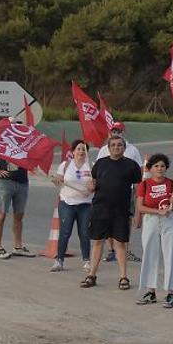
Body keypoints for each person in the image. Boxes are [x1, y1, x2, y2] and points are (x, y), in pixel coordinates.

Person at [81, 136, 142, 290]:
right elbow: (93, 183)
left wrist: (137, 212)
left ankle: (123, 277)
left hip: (121, 211)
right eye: (113, 145)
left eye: (119, 145)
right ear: (108, 148)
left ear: (124, 147)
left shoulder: (131, 165)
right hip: (100, 209)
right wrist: (90, 186)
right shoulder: (100, 163)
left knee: (120, 243)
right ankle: (92, 275)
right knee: (98, 242)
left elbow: (137, 189)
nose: (116, 147)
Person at [134, 153, 173, 308]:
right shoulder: (145, 184)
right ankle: (151, 291)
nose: (160, 169)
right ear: (151, 168)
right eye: (156, 166)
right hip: (151, 220)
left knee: (171, 254)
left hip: (169, 220)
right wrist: (157, 212)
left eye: (162, 166)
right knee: (150, 254)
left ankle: (170, 293)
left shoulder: (172, 183)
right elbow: (140, 207)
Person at [96, 123, 143, 263]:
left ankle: (125, 249)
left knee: (125, 221)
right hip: (106, 194)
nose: (116, 132)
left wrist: (138, 192)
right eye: (114, 130)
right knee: (108, 222)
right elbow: (97, 171)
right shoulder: (104, 150)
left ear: (123, 132)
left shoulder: (132, 150)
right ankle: (112, 250)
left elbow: (139, 171)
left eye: (119, 130)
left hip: (126, 193)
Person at [49, 140, 92, 272]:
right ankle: (59, 261)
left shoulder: (91, 166)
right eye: (78, 149)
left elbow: (96, 184)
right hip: (67, 203)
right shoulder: (66, 165)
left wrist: (91, 189)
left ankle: (87, 261)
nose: (81, 152)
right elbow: (58, 181)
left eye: (83, 149)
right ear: (73, 151)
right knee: (65, 232)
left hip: (85, 204)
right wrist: (56, 180)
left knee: (84, 232)